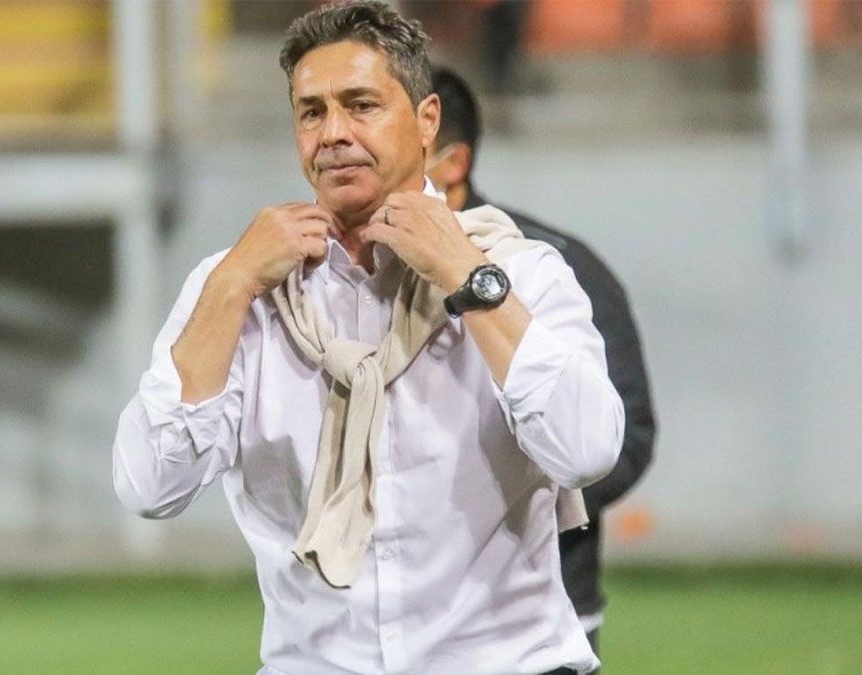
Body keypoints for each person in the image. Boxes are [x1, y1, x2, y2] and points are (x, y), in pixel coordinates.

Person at [112, 2, 623, 673]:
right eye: (311, 112)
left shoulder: (519, 271)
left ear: (427, 121)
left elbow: (586, 449)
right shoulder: (240, 289)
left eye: (361, 105)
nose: (333, 133)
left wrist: (466, 275)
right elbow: (151, 485)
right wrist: (231, 284)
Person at [426, 66, 657, 670]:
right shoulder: (349, 272)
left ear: (453, 162)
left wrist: (505, 508)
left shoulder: (552, 265)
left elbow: (627, 436)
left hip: (540, 624)